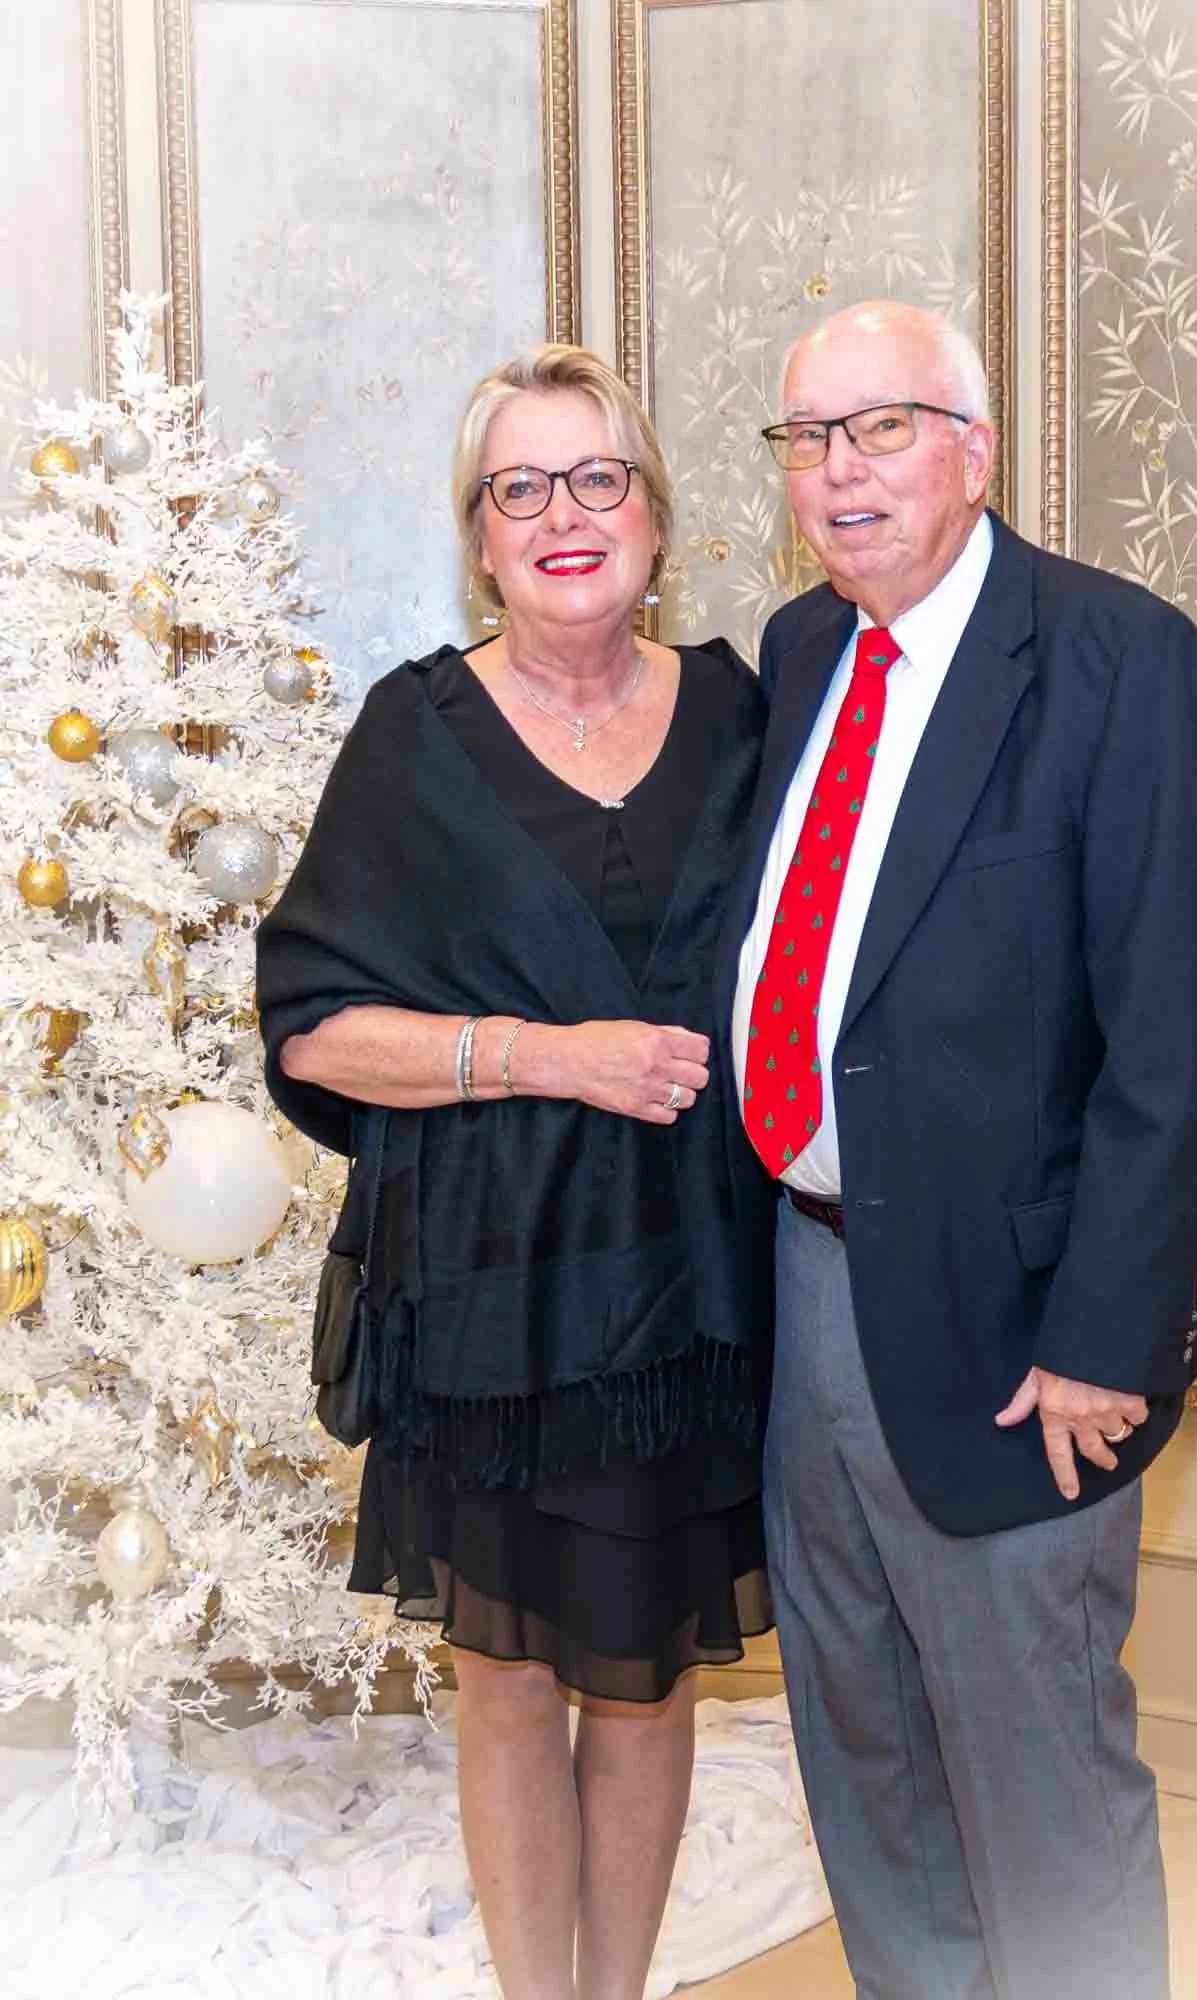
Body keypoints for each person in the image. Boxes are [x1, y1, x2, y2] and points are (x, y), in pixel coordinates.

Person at [719, 300, 1197, 2000]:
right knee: (864, 1749)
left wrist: (1107, 1334)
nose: (838, 471)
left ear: (975, 448)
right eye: (807, 439)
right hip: (809, 1277)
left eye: (879, 428)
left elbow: (1179, 1028)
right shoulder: (803, 653)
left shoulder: (1113, 655)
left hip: (1023, 1329)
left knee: (1040, 1784)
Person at [256, 345, 775, 2000]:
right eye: (521, 488)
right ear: (480, 536)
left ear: (653, 514)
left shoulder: (748, 710)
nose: (566, 516)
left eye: (598, 478)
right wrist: (553, 1055)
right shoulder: (414, 734)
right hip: (487, 1293)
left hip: (695, 1284)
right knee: (506, 1677)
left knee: (641, 1673)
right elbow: (315, 1030)